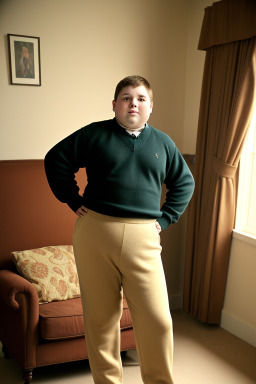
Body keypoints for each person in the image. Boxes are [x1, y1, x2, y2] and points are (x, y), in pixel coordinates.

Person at [44, 75, 194, 384]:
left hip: (144, 237)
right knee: (101, 321)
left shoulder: (163, 143)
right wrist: (73, 200)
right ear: (115, 105)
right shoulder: (94, 134)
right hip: (95, 233)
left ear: (150, 106)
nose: (133, 103)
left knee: (158, 321)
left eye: (140, 98)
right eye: (126, 98)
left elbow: (184, 183)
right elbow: (55, 159)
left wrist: (165, 220)